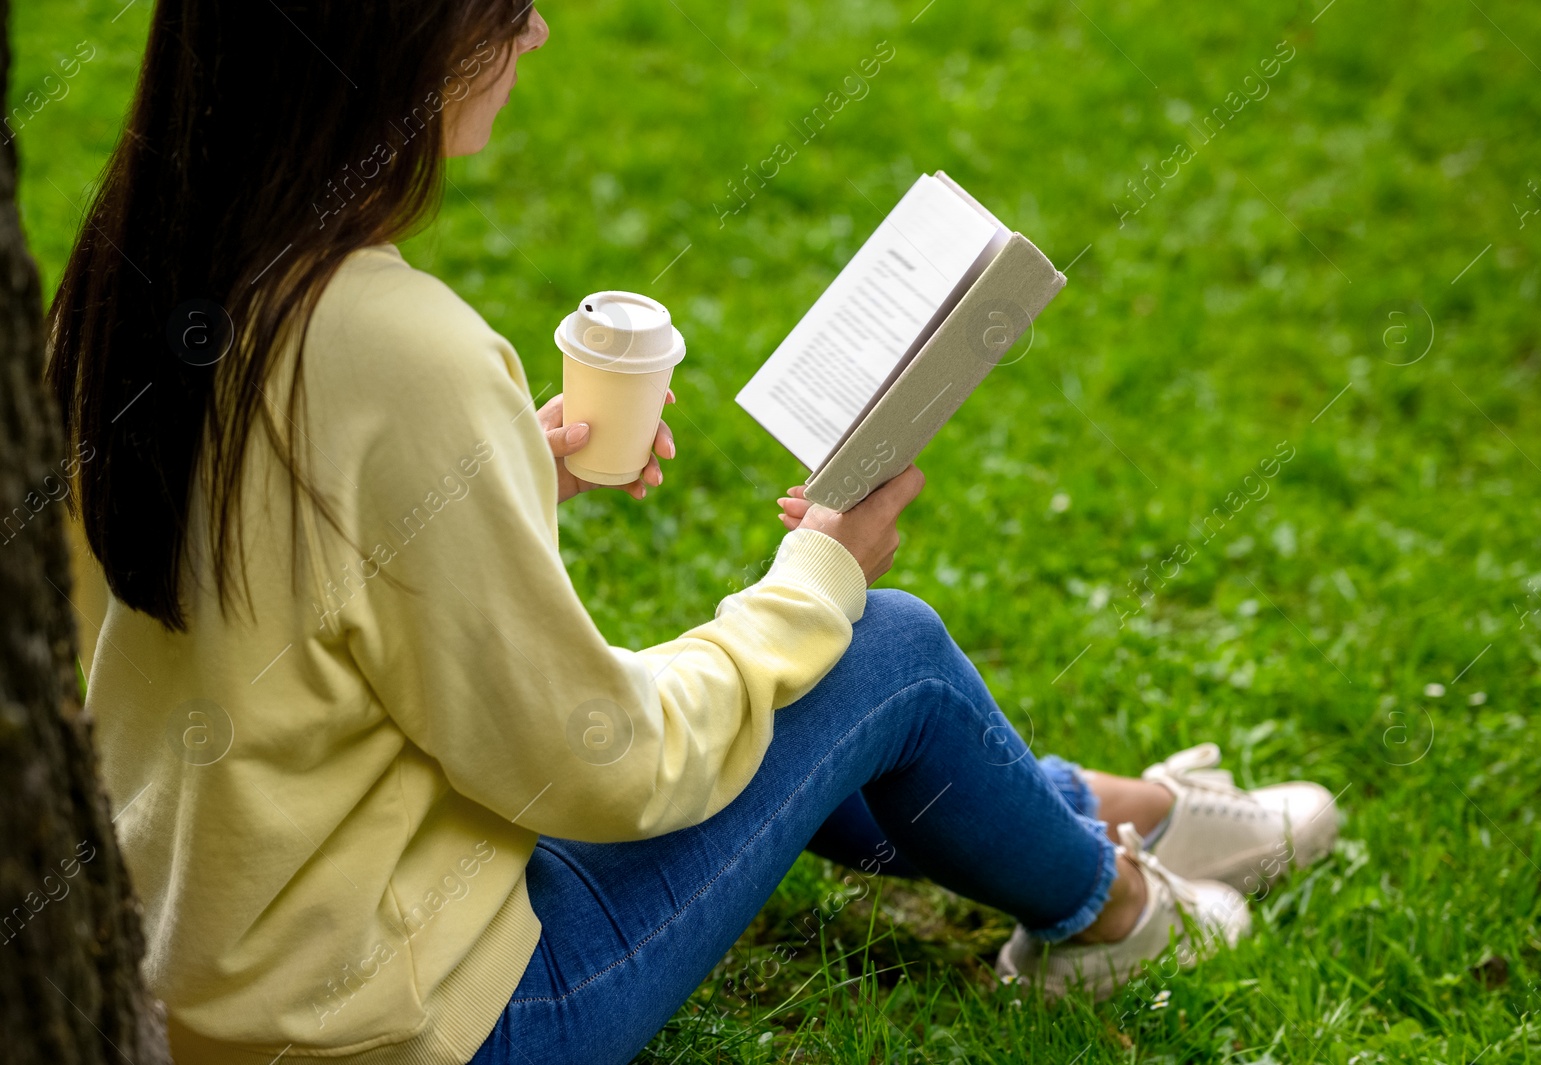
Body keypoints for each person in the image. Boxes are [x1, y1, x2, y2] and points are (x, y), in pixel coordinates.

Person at [47, 4, 1341, 1064]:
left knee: (809, 686)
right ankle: (1116, 912)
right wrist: (819, 572)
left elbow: (274, 598)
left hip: (194, 965)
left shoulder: (113, 291)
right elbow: (596, 767)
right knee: (874, 652)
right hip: (416, 1022)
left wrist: (502, 486)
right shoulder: (405, 357)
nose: (539, 33)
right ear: (396, 44)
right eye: (506, 9)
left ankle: (1125, 814)